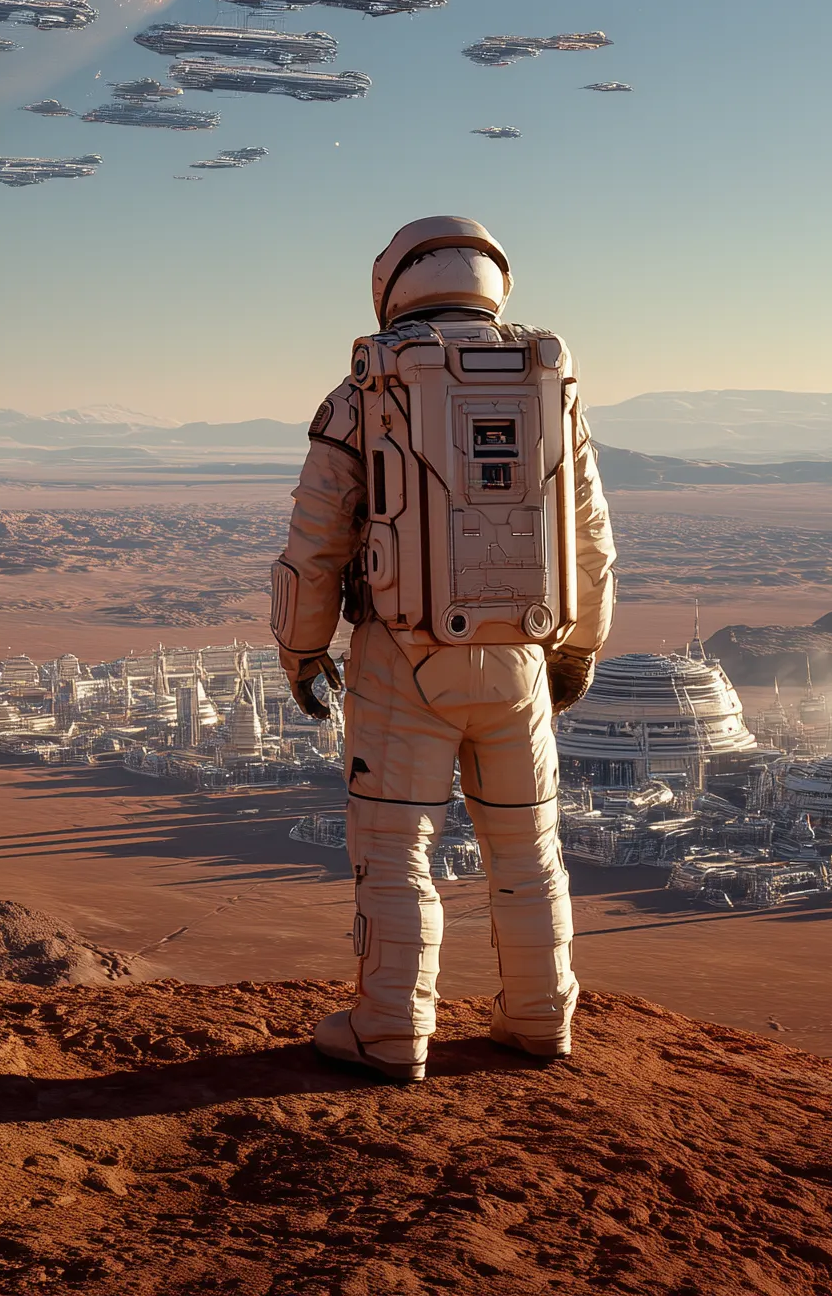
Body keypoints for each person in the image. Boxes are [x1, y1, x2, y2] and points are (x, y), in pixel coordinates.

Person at [272, 216, 616, 1082]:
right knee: (528, 850)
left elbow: (315, 543)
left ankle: (390, 1032)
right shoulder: (549, 385)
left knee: (395, 851)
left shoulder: (369, 390)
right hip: (522, 660)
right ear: (493, 278)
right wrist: (575, 654)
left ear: (393, 284)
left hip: (401, 660)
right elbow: (590, 542)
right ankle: (540, 1023)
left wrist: (303, 653)